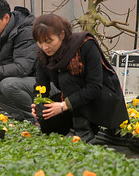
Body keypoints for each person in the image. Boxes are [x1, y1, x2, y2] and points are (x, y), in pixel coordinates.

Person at [31, 13, 128, 142]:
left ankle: (83, 130)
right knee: (48, 124)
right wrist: (38, 104)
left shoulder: (85, 45)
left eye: (49, 42)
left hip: (103, 100)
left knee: (66, 78)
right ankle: (80, 124)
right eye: (40, 42)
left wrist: (63, 106)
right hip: (76, 101)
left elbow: (95, 86)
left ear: (62, 35)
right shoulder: (44, 55)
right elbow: (41, 85)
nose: (45, 47)